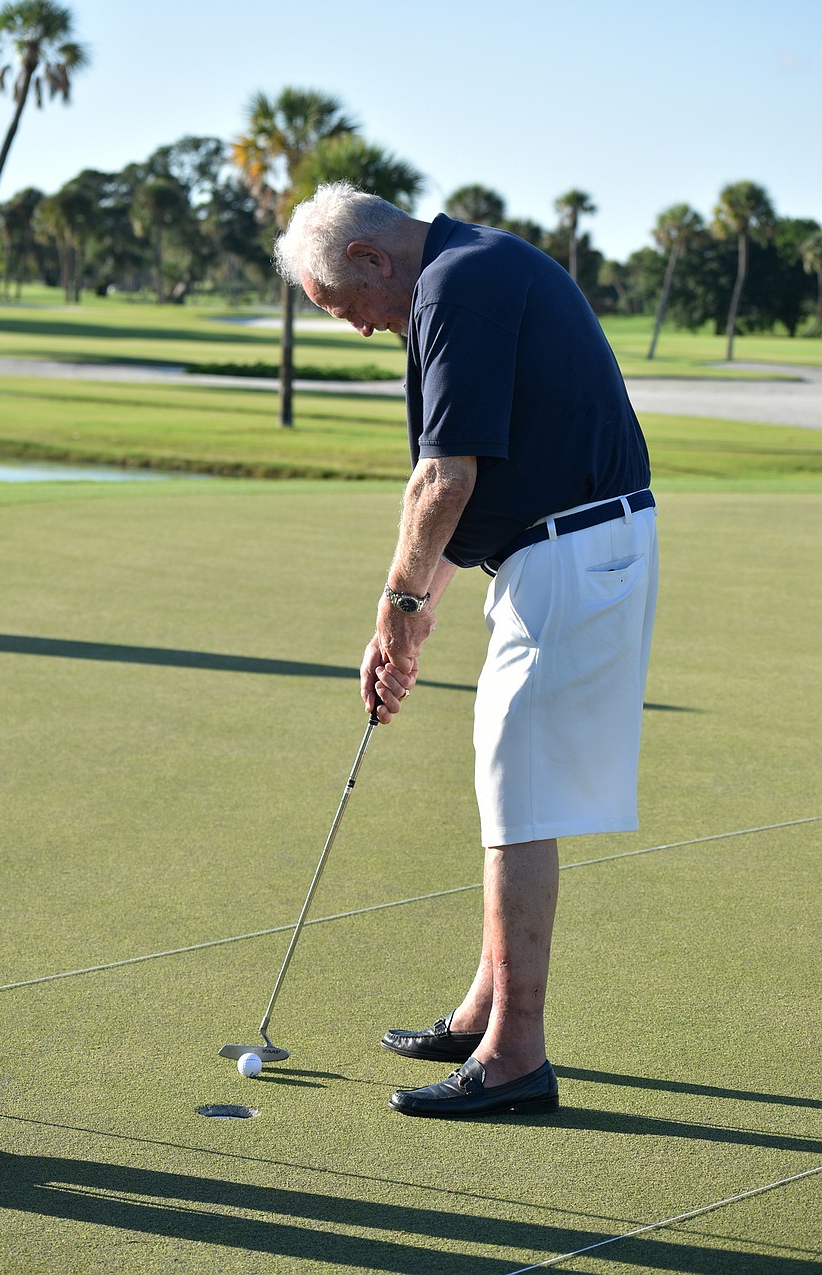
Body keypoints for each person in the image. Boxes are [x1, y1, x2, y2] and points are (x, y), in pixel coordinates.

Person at [273, 181, 658, 1119]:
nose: (359, 327)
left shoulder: (455, 286)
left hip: (571, 549)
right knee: (506, 781)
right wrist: (403, 621)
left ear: (370, 260)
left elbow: (446, 475)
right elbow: (456, 486)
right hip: (555, 549)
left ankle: (516, 1053)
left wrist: (402, 606)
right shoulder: (468, 270)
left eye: (343, 305)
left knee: (518, 793)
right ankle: (485, 1011)